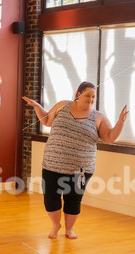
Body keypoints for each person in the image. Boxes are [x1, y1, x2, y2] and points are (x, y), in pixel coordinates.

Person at [22, 82, 128, 239]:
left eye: (93, 97)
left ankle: (69, 229)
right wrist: (37, 106)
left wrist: (120, 123)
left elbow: (109, 137)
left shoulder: (99, 117)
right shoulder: (62, 106)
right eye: (87, 95)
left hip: (81, 169)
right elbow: (46, 121)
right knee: (51, 199)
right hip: (52, 164)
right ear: (78, 94)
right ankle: (55, 225)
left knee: (73, 199)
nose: (91, 99)